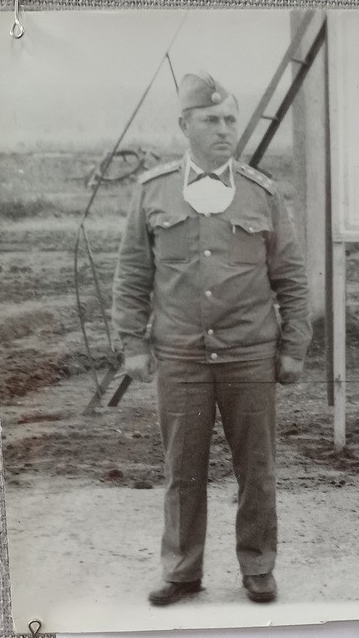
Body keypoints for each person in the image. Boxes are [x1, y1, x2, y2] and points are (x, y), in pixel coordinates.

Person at [112, 71, 311, 606]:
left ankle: (258, 566)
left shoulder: (262, 193)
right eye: (211, 120)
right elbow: (132, 275)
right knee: (183, 470)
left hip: (250, 355)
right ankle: (182, 571)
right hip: (181, 357)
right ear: (185, 125)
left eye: (229, 120)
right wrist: (133, 344)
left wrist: (294, 347)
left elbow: (291, 278)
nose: (224, 129)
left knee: (257, 469)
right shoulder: (153, 191)